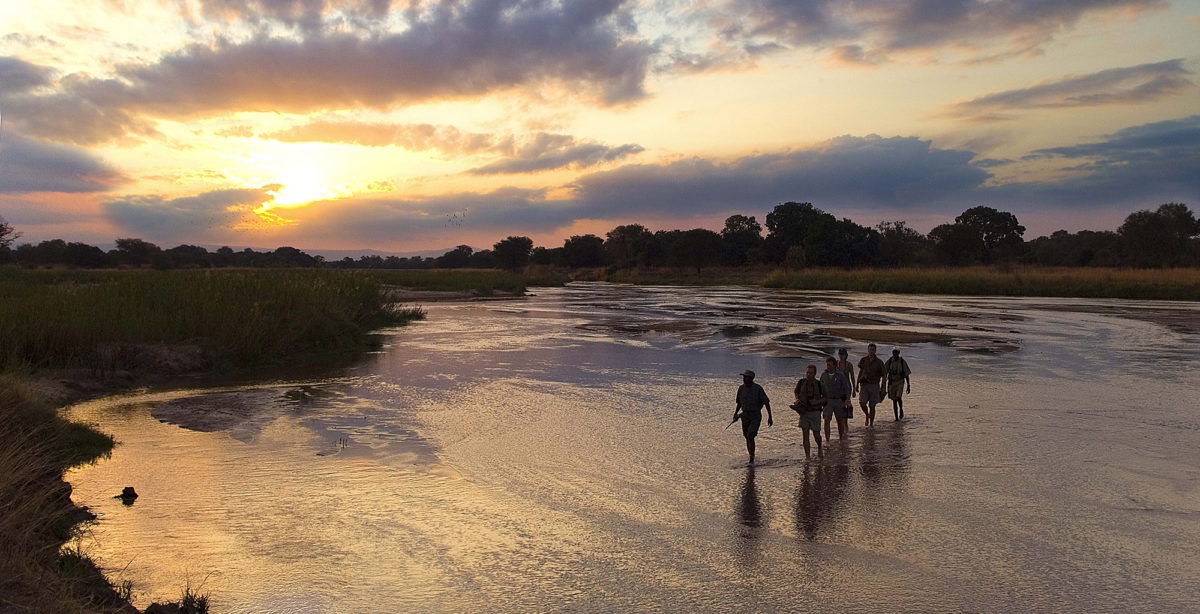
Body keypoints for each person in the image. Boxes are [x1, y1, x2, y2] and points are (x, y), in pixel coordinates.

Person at [733, 369, 772, 464]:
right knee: (747, 436)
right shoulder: (741, 388)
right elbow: (739, 403)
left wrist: (770, 416)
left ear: (751, 379)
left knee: (751, 435)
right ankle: (751, 455)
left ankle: (751, 459)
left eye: (745, 377)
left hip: (755, 415)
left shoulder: (758, 389)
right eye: (743, 377)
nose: (743, 379)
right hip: (744, 415)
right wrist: (735, 414)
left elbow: (766, 402)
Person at [792, 364, 826, 459]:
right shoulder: (801, 383)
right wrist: (797, 399)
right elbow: (796, 392)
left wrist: (817, 401)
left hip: (815, 413)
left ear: (814, 374)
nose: (808, 375)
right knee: (805, 435)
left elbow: (826, 398)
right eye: (807, 373)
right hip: (804, 412)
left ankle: (819, 447)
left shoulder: (819, 385)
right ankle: (807, 457)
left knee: (816, 435)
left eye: (810, 373)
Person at [820, 356, 853, 441]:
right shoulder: (824, 375)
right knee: (826, 420)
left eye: (830, 365)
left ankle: (841, 438)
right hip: (828, 400)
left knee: (840, 420)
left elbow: (847, 388)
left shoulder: (840, 375)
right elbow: (820, 388)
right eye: (827, 365)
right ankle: (827, 440)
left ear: (834, 365)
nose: (828, 367)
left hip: (838, 400)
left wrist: (847, 400)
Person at [857, 343, 885, 427]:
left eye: (873, 350)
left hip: (874, 385)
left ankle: (871, 424)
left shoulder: (879, 362)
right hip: (864, 384)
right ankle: (867, 415)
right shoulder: (863, 360)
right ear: (868, 350)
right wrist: (856, 383)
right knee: (862, 403)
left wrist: (883, 388)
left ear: (875, 351)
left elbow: (884, 375)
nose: (871, 351)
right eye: (870, 350)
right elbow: (860, 372)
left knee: (872, 406)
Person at [884, 348, 912, 420]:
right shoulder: (890, 361)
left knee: (898, 397)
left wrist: (908, 385)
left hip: (900, 382)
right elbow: (884, 371)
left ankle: (901, 409)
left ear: (899, 353)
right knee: (894, 400)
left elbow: (906, 374)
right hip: (892, 382)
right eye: (893, 352)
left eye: (896, 352)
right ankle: (896, 417)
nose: (895, 354)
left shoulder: (902, 361)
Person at [835, 348, 856, 417]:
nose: (841, 356)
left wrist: (854, 389)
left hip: (847, 387)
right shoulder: (836, 364)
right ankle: (841, 422)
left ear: (845, 355)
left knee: (846, 404)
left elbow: (852, 377)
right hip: (838, 388)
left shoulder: (849, 365)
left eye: (842, 354)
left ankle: (845, 421)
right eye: (840, 354)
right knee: (838, 405)